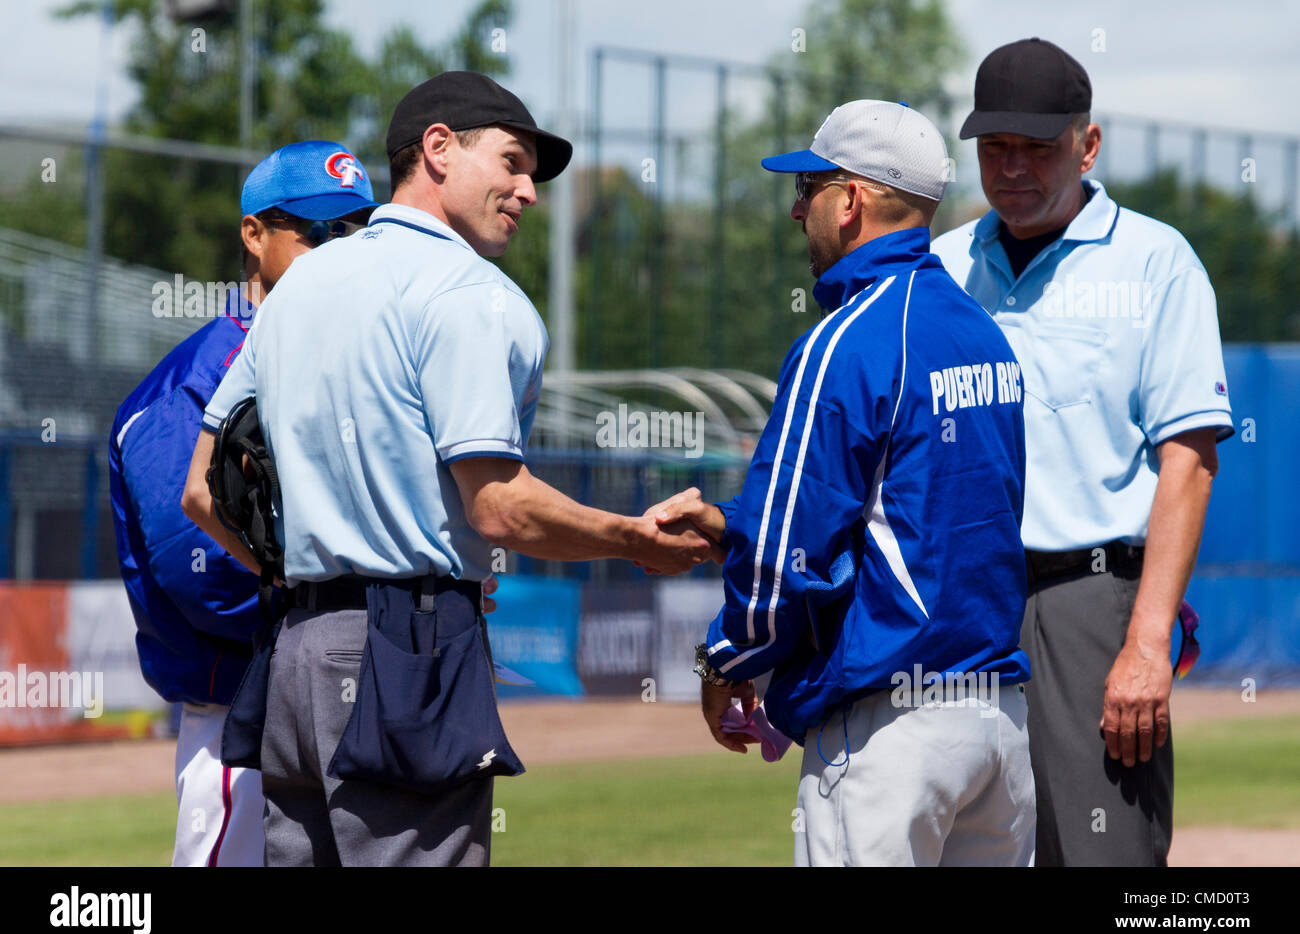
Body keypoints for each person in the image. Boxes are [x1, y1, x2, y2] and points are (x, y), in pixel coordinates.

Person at [180, 71, 715, 867]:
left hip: (295, 648)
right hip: (407, 648)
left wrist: (306, 570)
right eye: (511, 162)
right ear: (437, 149)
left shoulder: (296, 288)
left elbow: (201, 489)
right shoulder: (473, 294)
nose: (528, 191)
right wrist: (631, 537)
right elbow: (498, 508)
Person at [655, 100, 1035, 866]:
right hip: (999, 724)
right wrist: (732, 522)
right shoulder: (980, 330)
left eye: (810, 190)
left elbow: (788, 550)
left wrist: (727, 658)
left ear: (853, 199)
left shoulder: (846, 339)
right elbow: (918, 511)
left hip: (893, 731)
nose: (799, 212)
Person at [930, 38, 1233, 866]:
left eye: (1037, 147)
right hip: (962, 610)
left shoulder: (1155, 262)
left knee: (1105, 859)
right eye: (996, 148)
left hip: (1089, 605)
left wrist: (1146, 642)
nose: (1013, 167)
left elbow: (1190, 460)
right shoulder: (942, 267)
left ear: (1087, 144)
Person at [109, 140, 378, 866]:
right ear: (253, 234)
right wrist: (343, 604)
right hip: (245, 710)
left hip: (337, 691)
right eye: (317, 232)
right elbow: (197, 572)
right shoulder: (197, 381)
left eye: (356, 231)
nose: (339, 250)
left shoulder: (346, 358)